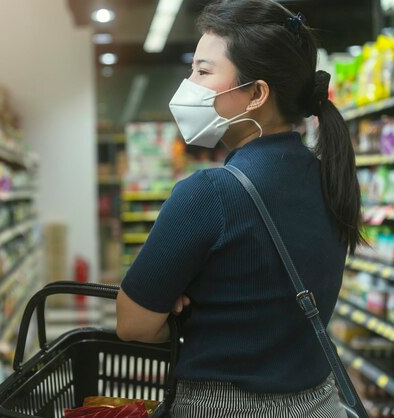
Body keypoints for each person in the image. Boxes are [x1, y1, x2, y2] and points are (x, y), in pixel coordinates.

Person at [115, 0, 362, 417]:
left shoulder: (209, 193)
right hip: (319, 404)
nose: (188, 83)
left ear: (256, 94)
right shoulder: (329, 178)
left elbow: (134, 324)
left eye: (203, 71)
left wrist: (182, 300)